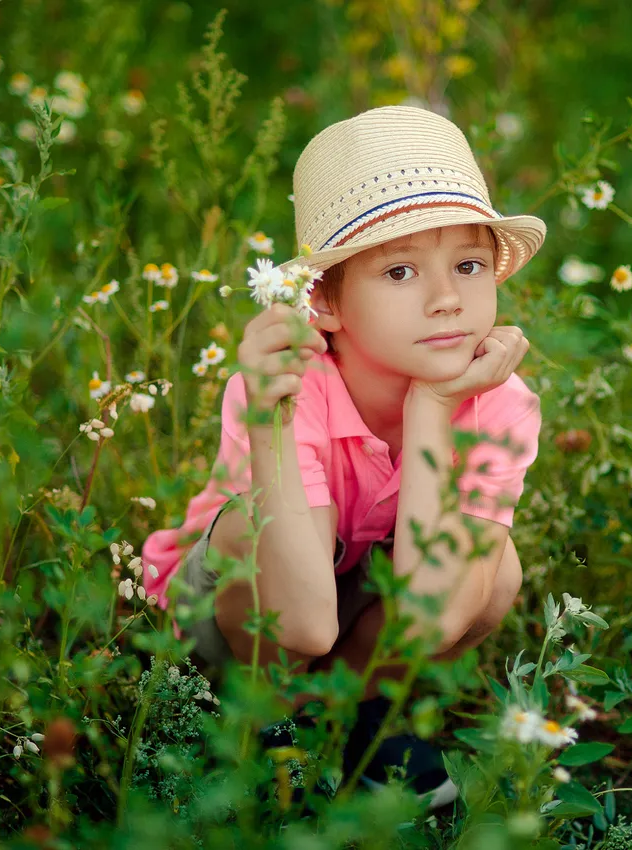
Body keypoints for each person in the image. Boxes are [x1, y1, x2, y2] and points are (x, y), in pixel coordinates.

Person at [140, 104, 547, 809]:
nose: (448, 298)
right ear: (324, 301)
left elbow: (427, 616)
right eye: (399, 273)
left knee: (495, 569)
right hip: (237, 625)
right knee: (248, 527)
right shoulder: (287, 386)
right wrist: (269, 422)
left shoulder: (497, 401)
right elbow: (298, 623)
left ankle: (362, 716)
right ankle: (261, 720)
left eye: (469, 264)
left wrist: (434, 411)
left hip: (355, 600)